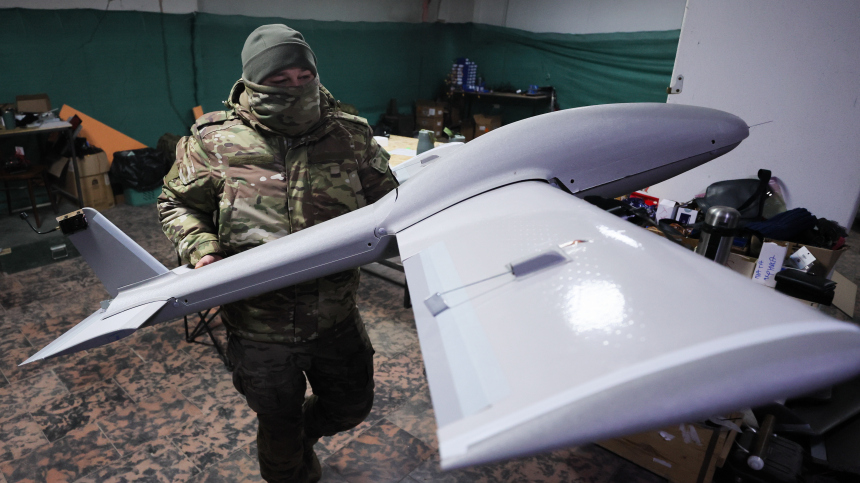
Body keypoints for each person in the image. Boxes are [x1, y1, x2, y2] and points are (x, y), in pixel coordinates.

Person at [157, 24, 398, 483]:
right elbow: (177, 203)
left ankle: (298, 435)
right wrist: (202, 248)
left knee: (351, 407)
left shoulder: (349, 135)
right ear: (253, 82)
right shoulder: (214, 141)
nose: (295, 88)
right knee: (279, 434)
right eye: (280, 80)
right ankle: (288, 458)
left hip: (335, 316)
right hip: (258, 327)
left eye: (304, 77)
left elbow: (392, 202)